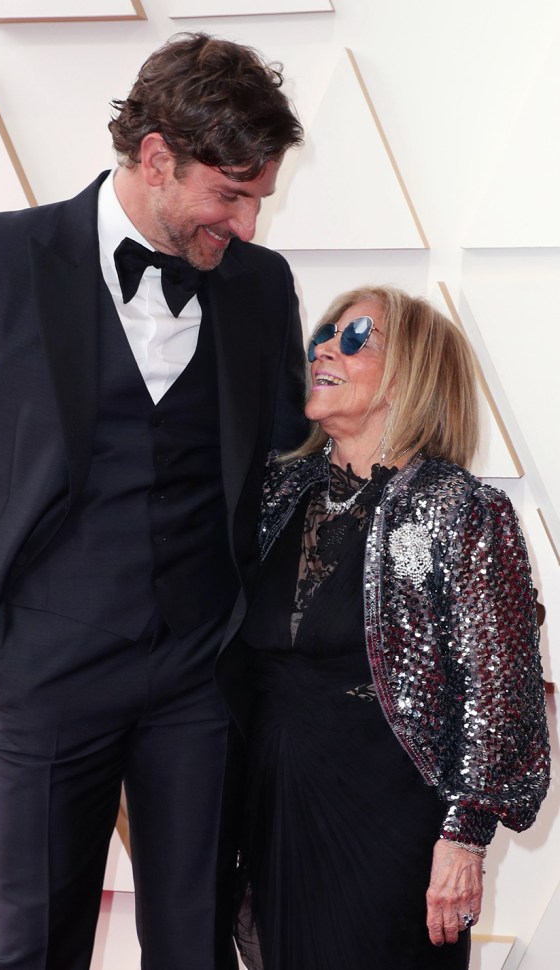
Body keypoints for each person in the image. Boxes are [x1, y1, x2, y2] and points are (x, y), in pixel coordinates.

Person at [0, 32, 306, 970]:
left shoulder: (261, 286)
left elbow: (284, 468)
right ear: (157, 157)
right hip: (44, 666)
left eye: (257, 199)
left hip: (198, 676)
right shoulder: (2, 255)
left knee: (195, 943)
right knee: (34, 944)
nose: (244, 225)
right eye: (229, 194)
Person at [234, 285, 550, 970]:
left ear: (412, 374)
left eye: (357, 339)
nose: (324, 348)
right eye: (324, 334)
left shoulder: (463, 509)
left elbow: (501, 691)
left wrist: (464, 838)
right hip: (266, 813)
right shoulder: (274, 494)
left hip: (387, 827)